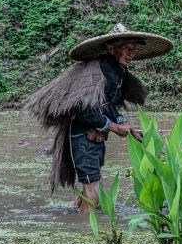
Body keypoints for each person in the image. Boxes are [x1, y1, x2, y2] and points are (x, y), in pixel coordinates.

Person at [26, 23, 172, 214]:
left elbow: (107, 106)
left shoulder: (116, 72)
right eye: (127, 49)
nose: (131, 54)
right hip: (83, 139)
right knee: (92, 191)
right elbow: (82, 110)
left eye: (134, 50)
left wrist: (125, 126)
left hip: (94, 140)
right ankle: (86, 231)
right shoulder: (97, 72)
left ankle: (77, 220)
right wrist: (111, 126)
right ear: (112, 48)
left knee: (91, 186)